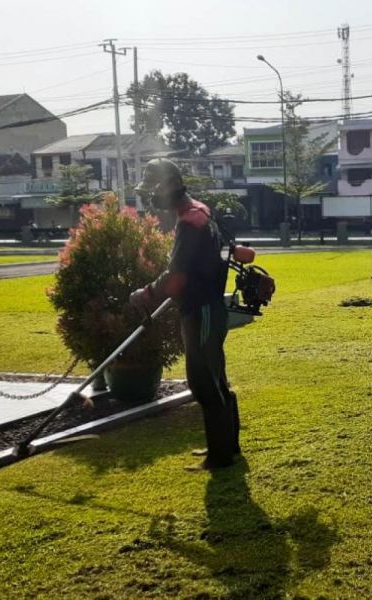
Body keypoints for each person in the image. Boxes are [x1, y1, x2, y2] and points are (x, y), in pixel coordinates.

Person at [129, 158, 239, 470]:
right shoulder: (200, 212)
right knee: (215, 378)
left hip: (202, 311)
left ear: (167, 188)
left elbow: (176, 276)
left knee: (205, 381)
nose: (151, 199)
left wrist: (145, 295)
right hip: (207, 308)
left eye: (153, 191)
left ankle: (220, 457)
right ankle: (227, 447)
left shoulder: (191, 223)